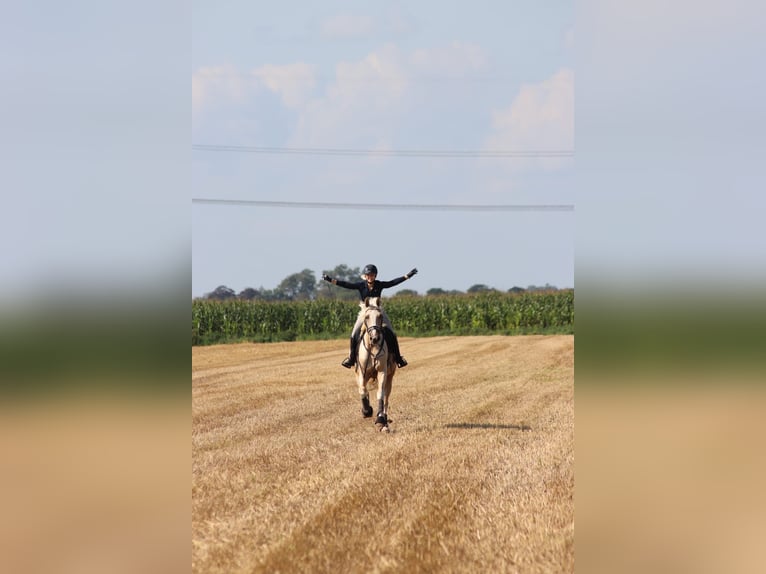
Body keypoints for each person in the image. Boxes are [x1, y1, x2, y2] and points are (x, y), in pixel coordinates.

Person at [322, 264, 418, 369]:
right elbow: (346, 284)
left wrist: (407, 276)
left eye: (372, 275)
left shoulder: (379, 284)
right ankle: (351, 358)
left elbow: (393, 283)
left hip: (378, 312)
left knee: (392, 333)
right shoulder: (361, 285)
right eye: (368, 275)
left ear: (375, 276)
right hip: (365, 313)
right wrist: (330, 280)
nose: (370, 277)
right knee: (354, 334)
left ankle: (398, 358)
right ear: (365, 276)